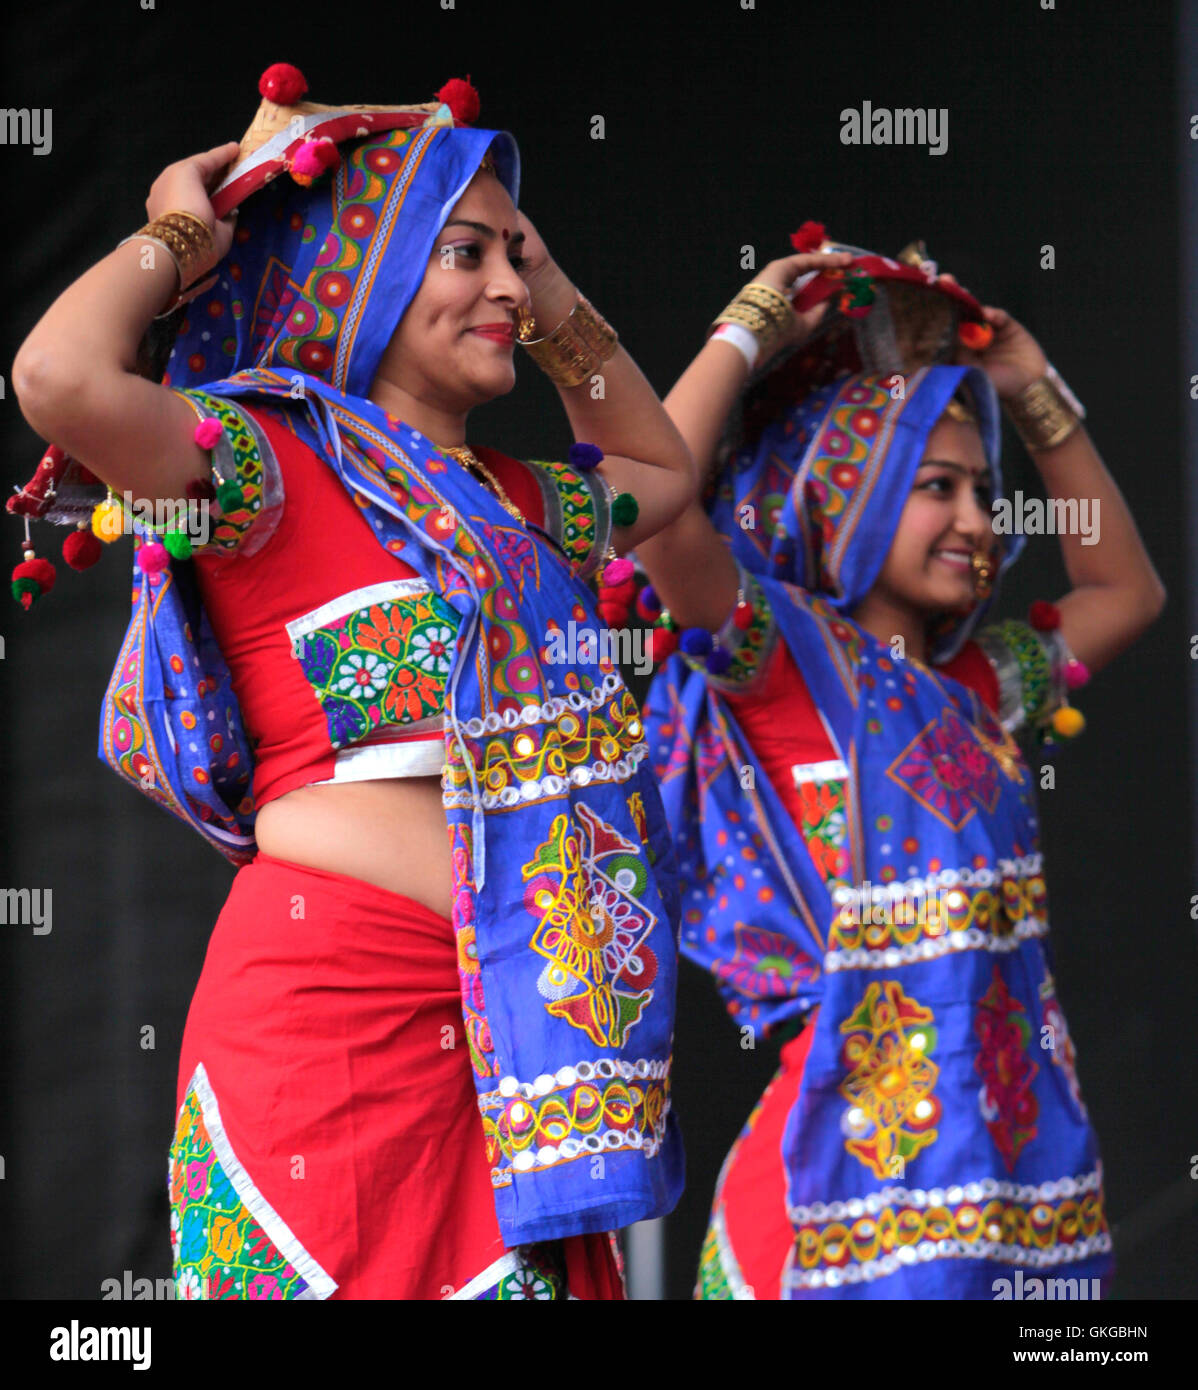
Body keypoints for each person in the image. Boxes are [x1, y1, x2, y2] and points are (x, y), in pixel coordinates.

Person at [10, 64, 692, 1300]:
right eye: (463, 254)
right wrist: (179, 230)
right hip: (328, 1040)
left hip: (524, 1069)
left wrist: (549, 295)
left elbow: (662, 467)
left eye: (514, 256)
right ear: (370, 265)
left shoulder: (527, 509)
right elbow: (59, 383)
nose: (502, 287)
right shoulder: (263, 470)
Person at [634, 230, 1165, 1298]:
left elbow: (1128, 594)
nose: (977, 520)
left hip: (1007, 1179)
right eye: (938, 486)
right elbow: (651, 505)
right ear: (848, 496)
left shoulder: (980, 689)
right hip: (832, 1185)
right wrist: (749, 329)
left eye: (981, 490)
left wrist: (1033, 390)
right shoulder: (777, 656)